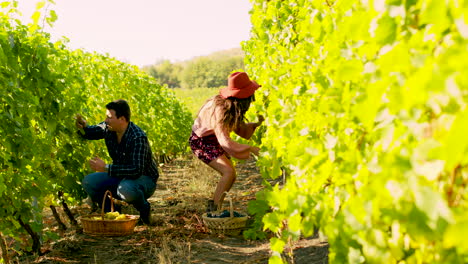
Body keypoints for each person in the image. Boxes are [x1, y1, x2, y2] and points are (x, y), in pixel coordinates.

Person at [189, 72, 264, 213]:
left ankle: (216, 206)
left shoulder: (230, 105)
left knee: (230, 173)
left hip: (212, 138)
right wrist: (252, 149)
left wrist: (257, 124)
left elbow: (240, 129)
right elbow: (225, 141)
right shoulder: (221, 109)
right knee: (229, 172)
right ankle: (215, 210)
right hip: (202, 141)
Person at [75, 99, 159, 225]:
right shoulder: (108, 128)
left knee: (125, 189)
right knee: (89, 182)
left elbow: (136, 170)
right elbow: (90, 132)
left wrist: (106, 168)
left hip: (144, 179)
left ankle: (144, 210)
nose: (106, 120)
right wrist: (83, 126)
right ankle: (113, 212)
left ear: (122, 119)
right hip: (121, 176)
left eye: (109, 117)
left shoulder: (137, 137)